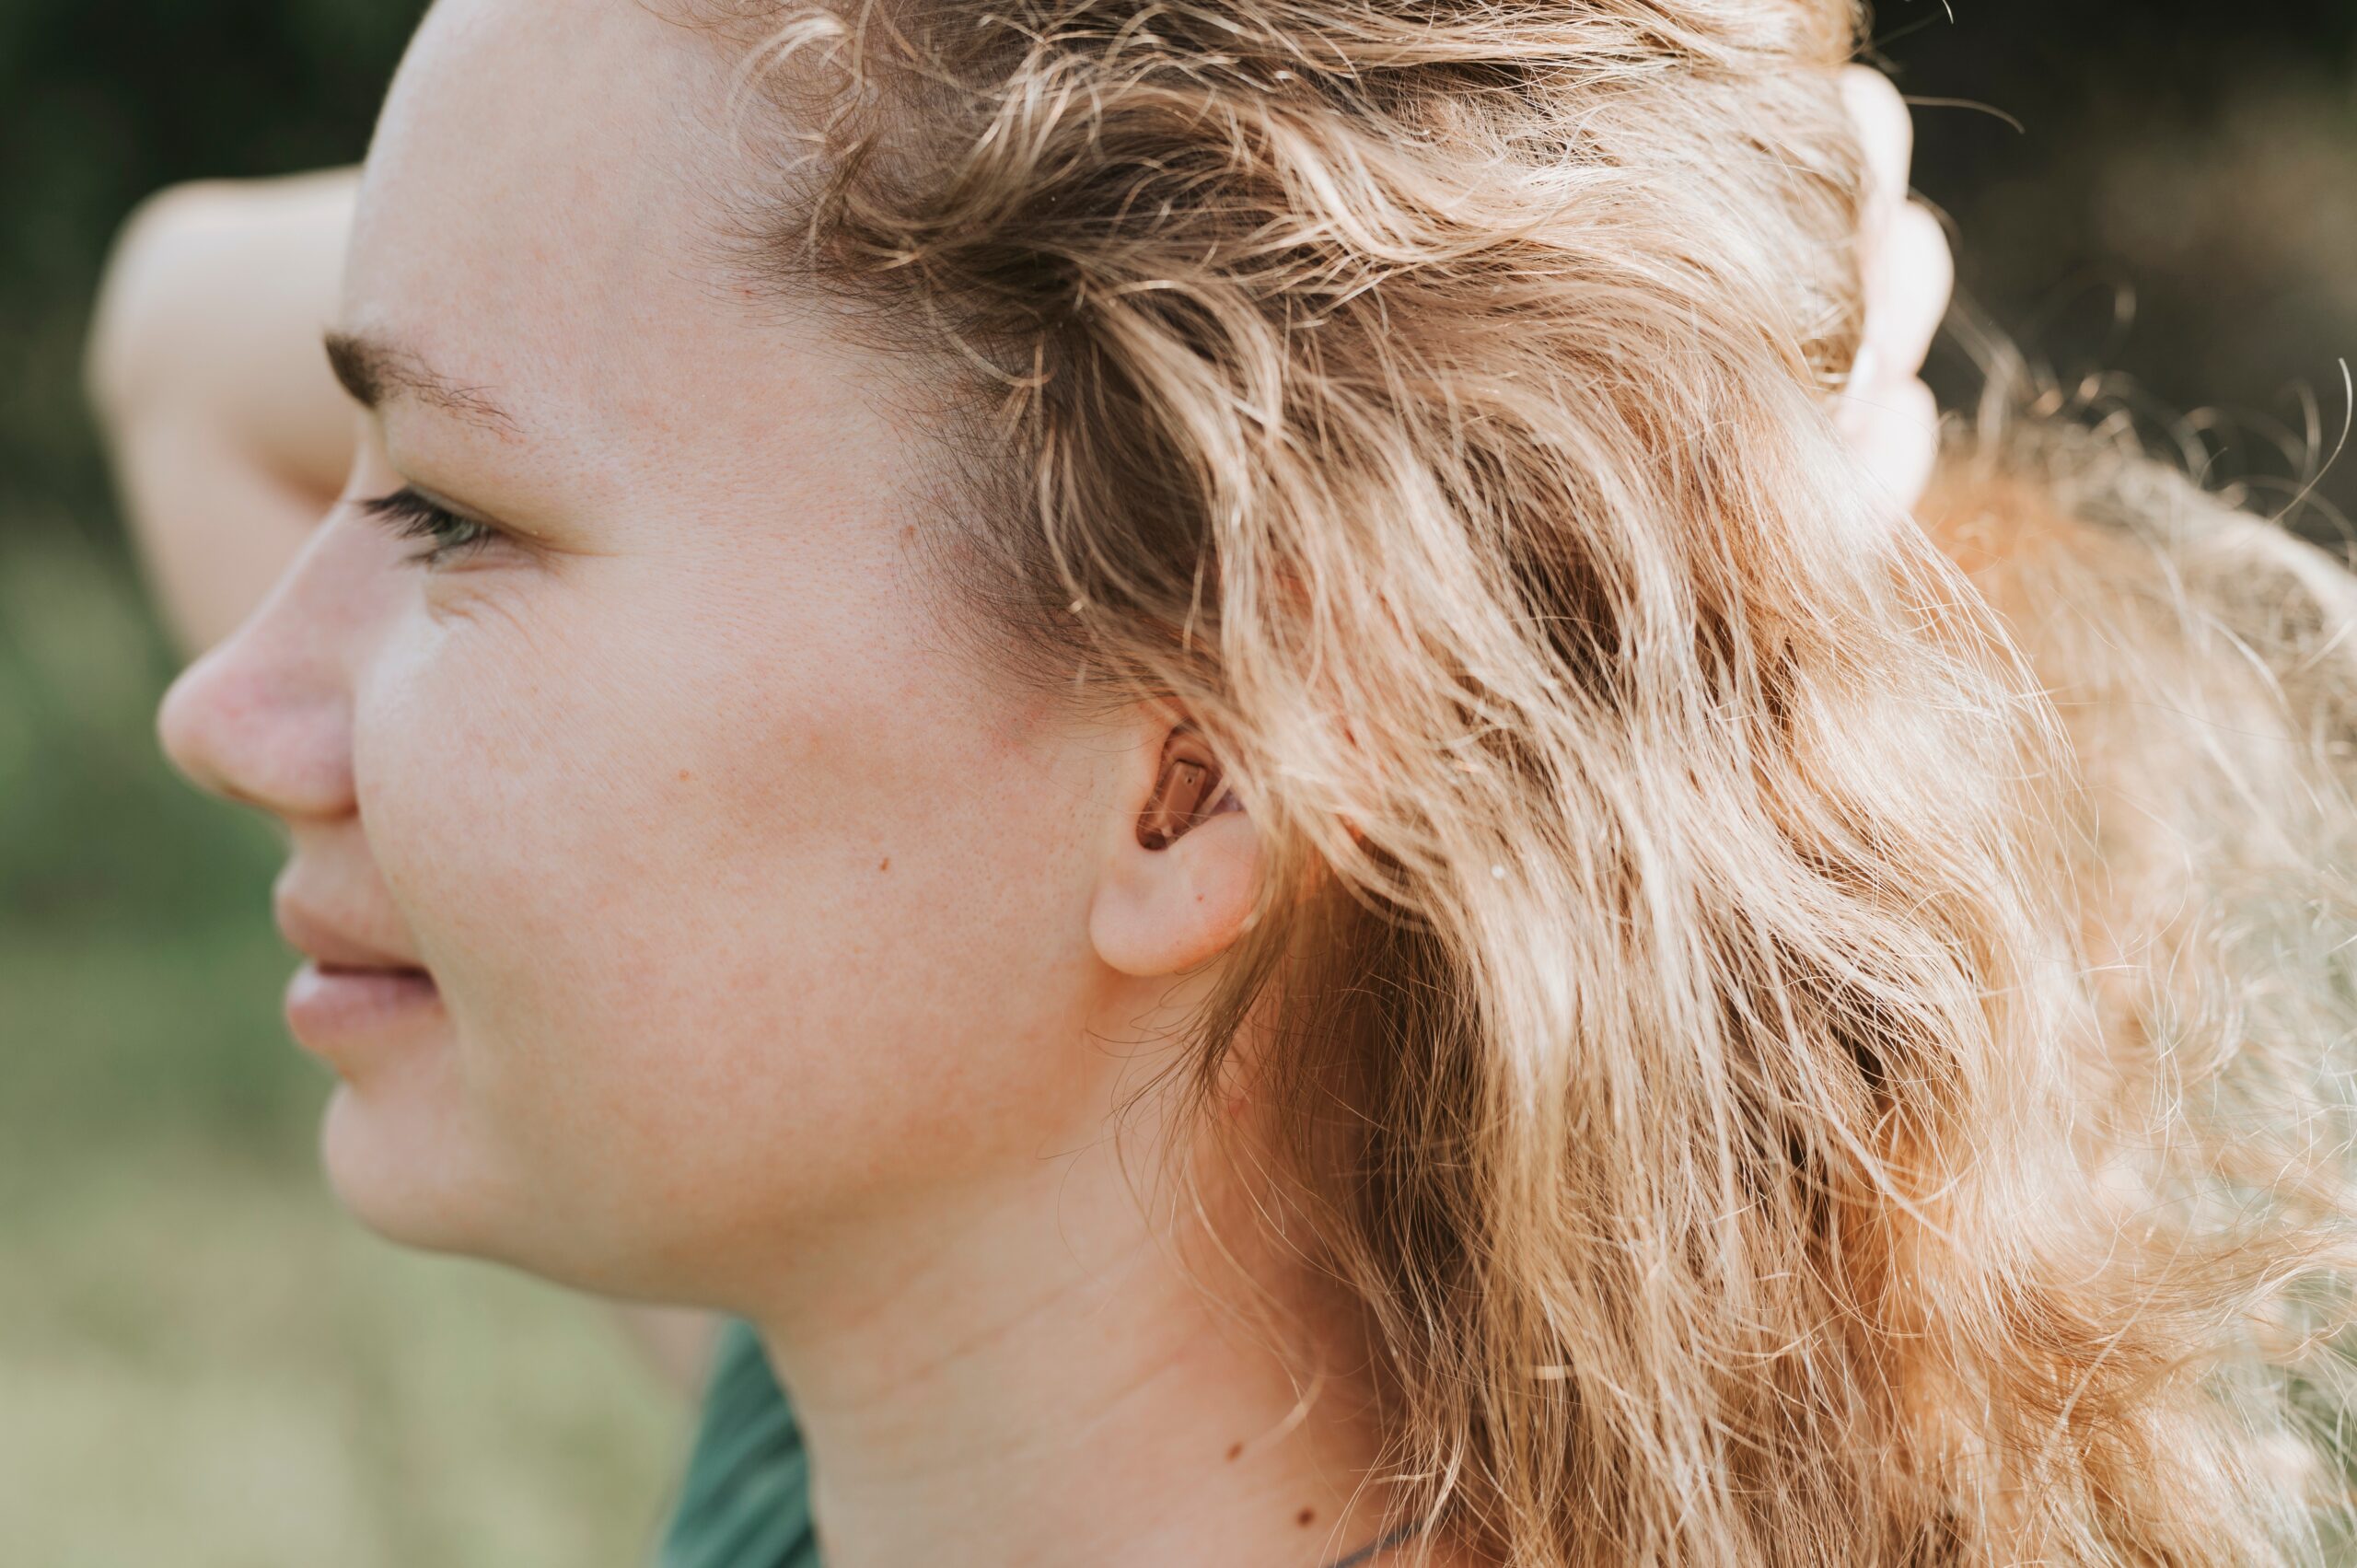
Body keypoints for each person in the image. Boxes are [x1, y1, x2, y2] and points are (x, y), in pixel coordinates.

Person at [82, 0, 2357, 1563]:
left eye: (455, 522)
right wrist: (1611, 381)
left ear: (1196, 780)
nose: (231, 718)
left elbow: (189, 340)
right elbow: (183, 333)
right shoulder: (911, 1391)